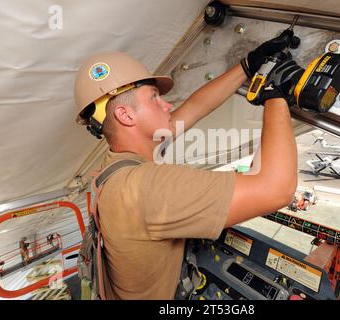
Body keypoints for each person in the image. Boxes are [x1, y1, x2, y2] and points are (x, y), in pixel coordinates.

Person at [74, 30, 298, 299]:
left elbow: (195, 107)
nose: (167, 106)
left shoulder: (118, 164)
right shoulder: (146, 187)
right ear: (125, 115)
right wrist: (277, 95)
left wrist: (248, 66)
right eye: (154, 97)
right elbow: (276, 189)